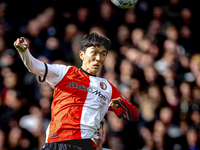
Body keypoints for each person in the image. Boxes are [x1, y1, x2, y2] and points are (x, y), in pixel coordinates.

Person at [14, 33, 139, 150]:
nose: (98, 58)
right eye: (94, 53)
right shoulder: (64, 72)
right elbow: (35, 66)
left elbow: (134, 115)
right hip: (59, 141)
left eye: (103, 54)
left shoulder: (107, 87)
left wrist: (124, 107)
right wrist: (24, 52)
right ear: (81, 55)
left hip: (86, 143)